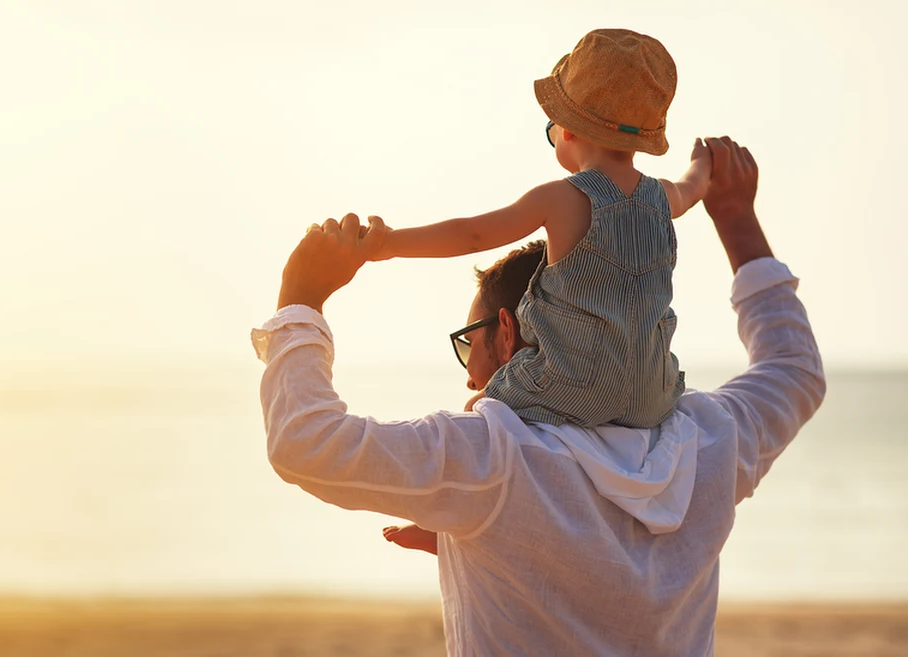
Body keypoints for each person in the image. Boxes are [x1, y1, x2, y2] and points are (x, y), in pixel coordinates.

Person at [251, 137, 825, 655]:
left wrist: (300, 302)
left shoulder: (492, 460)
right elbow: (794, 370)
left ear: (507, 331)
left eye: (468, 343)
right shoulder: (707, 441)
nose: (472, 377)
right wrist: (735, 219)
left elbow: (305, 444)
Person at [373, 28, 709, 431]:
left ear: (567, 129)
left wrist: (388, 244)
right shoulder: (662, 197)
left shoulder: (562, 198)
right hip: (653, 396)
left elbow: (472, 234)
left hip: (573, 387)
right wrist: (704, 162)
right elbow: (693, 188)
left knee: (480, 405)